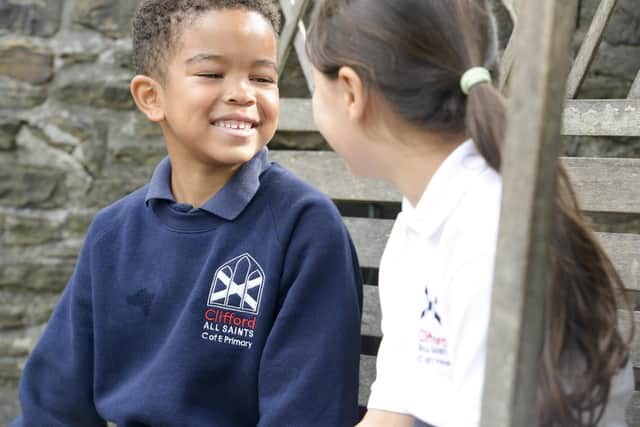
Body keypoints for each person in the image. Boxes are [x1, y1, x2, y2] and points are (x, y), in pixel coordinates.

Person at [12, 1, 363, 426]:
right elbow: (51, 408)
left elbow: (305, 414)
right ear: (151, 97)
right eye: (213, 74)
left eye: (262, 77)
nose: (243, 93)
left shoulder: (305, 229)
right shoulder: (112, 233)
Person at [306, 1, 633, 426]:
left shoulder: (488, 237)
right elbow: (394, 410)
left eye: (316, 87)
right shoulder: (421, 221)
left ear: (350, 92)